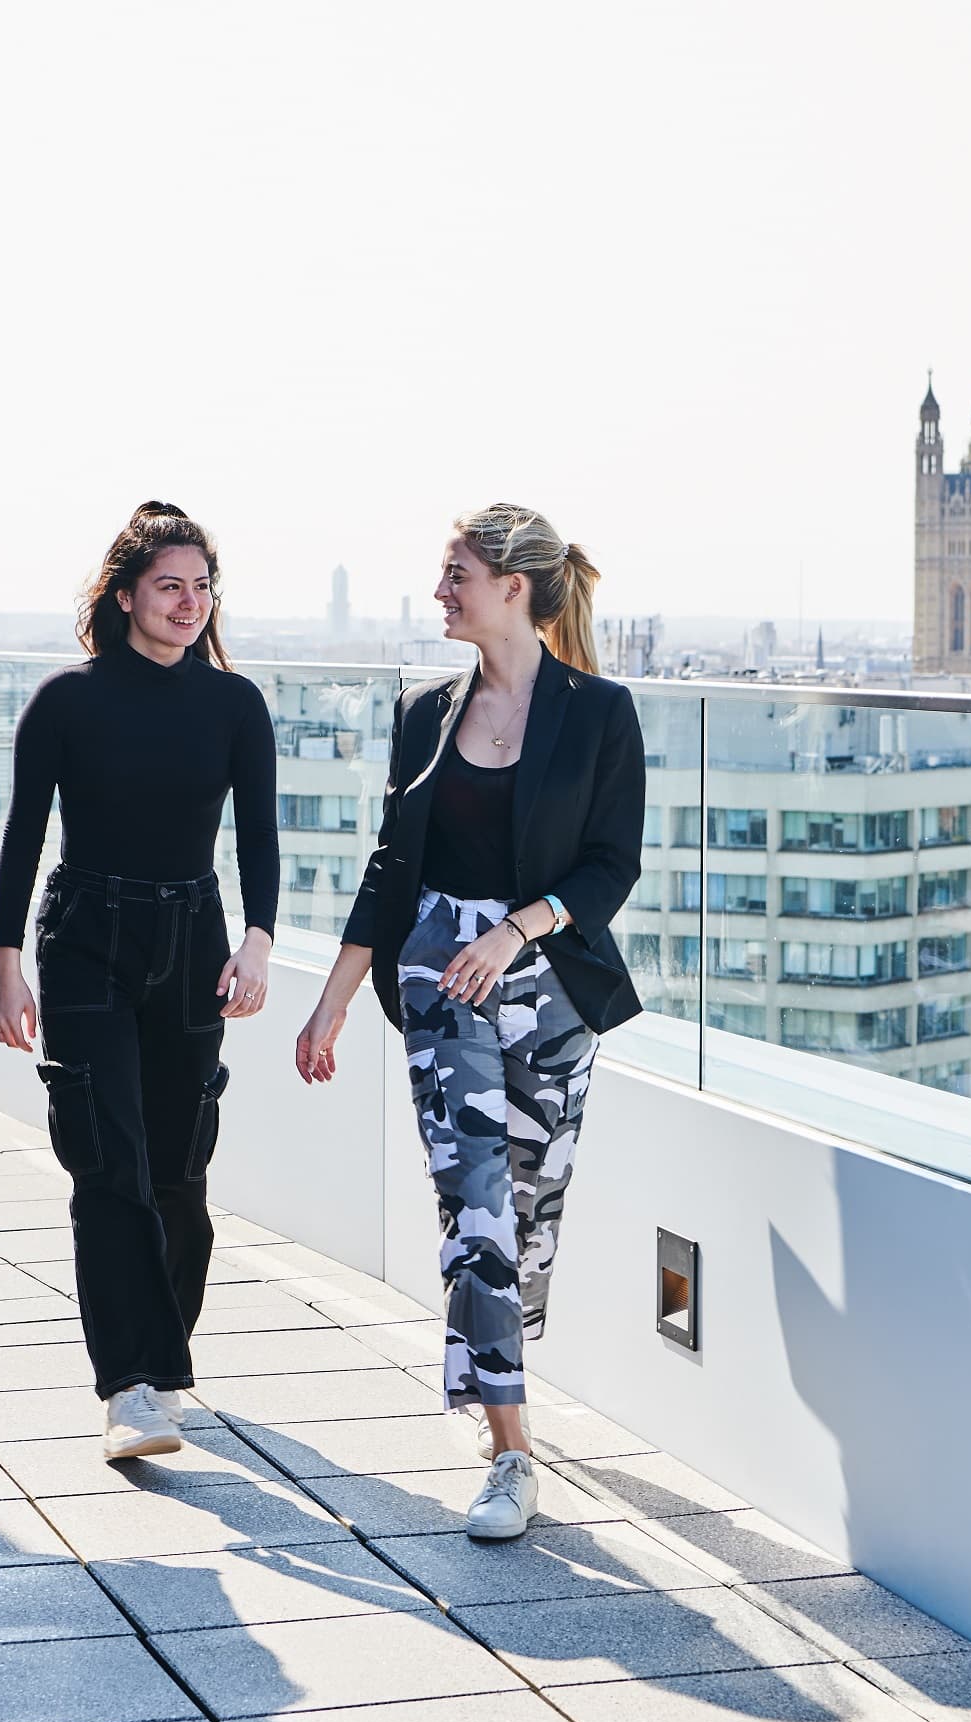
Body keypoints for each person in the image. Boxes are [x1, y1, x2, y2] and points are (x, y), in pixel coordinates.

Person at [296, 503, 644, 1540]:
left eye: (457, 574)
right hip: (439, 977)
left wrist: (517, 932)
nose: (441, 591)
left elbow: (611, 865)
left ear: (513, 588)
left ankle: (497, 1369)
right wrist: (334, 998)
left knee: (528, 1216)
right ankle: (510, 1453)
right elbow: (389, 867)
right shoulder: (423, 711)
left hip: (553, 984)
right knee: (477, 1205)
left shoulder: (599, 712)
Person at [0, 501, 278, 1460]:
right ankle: (131, 1388)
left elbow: (259, 833)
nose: (189, 603)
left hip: (195, 939)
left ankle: (161, 1364)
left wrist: (258, 942)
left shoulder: (235, 704)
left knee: (180, 1169)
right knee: (107, 1161)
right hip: (85, 938)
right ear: (123, 597)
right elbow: (24, 833)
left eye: (202, 588)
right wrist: (6, 966)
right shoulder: (66, 700)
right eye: (169, 587)